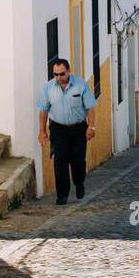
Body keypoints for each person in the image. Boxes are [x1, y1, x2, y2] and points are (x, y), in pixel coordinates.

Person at [37, 58, 97, 205]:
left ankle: (79, 182)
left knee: (77, 161)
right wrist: (42, 130)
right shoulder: (48, 88)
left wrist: (91, 127)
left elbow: (90, 107)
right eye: (55, 74)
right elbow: (43, 110)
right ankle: (62, 195)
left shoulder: (80, 85)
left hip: (78, 129)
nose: (58, 78)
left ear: (69, 71)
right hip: (58, 129)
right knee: (60, 162)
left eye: (61, 74)